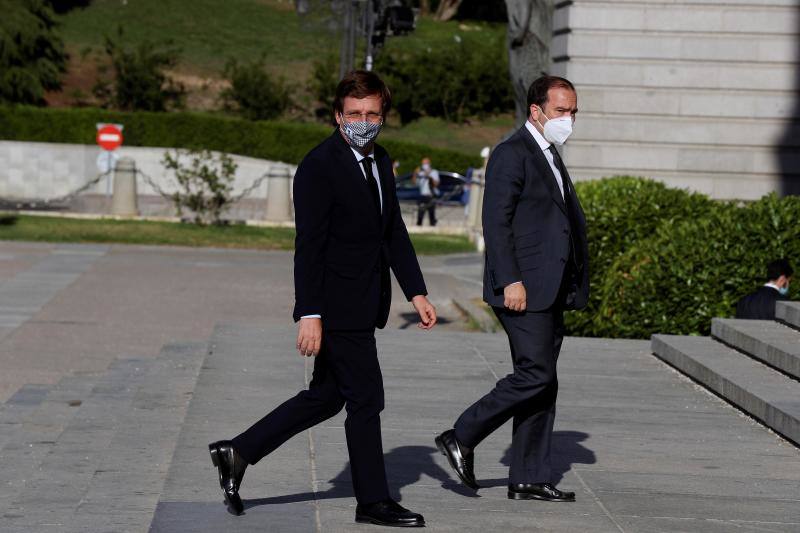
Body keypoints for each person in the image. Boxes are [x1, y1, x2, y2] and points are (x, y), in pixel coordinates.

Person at [208, 70, 436, 528]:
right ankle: (373, 501)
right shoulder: (319, 166)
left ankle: (239, 451)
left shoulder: (381, 159)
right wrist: (309, 313)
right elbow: (308, 246)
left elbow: (392, 231)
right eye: (354, 114)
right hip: (336, 305)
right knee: (366, 399)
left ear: (383, 116)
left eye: (372, 113)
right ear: (337, 116)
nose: (363, 121)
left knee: (329, 396)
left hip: (366, 299)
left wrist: (416, 290)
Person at [435, 75, 589, 503]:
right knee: (535, 374)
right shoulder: (512, 153)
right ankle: (462, 435)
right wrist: (510, 280)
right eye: (561, 111)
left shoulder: (550, 155)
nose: (569, 119)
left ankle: (529, 476)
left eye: (574, 111)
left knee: (545, 382)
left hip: (552, 287)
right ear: (536, 111)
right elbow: (496, 223)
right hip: (523, 286)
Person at [413, 157, 439, 226]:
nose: (424, 165)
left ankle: (432, 227)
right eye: (423, 163)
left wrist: (429, 176)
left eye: (426, 163)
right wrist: (415, 173)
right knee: (420, 215)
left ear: (429, 164)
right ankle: (419, 228)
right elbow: (414, 182)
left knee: (431, 215)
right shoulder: (420, 173)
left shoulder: (434, 172)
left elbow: (436, 184)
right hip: (422, 196)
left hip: (430, 196)